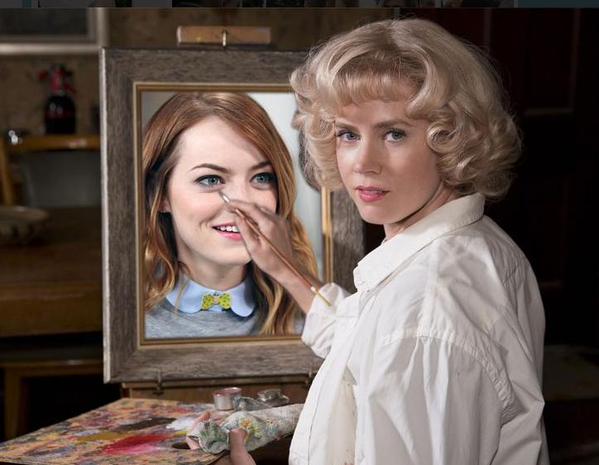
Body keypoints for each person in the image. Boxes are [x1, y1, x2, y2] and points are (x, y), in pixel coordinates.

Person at [221, 18, 548, 465]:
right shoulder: (477, 245)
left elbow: (404, 339)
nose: (363, 162)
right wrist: (289, 270)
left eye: (394, 133)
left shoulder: (425, 316)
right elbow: (366, 344)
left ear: (452, 138)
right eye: (348, 134)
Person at [142, 92, 317, 339]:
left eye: (261, 177)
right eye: (211, 180)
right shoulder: (130, 321)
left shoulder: (316, 315)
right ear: (158, 195)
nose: (243, 204)